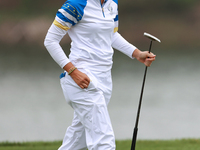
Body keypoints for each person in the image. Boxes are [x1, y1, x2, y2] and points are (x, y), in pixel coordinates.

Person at [44, 0, 156, 149]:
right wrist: (73, 71)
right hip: (82, 80)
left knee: (78, 141)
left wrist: (137, 54)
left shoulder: (112, 3)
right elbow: (50, 41)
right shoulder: (76, 4)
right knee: (104, 141)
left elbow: (112, 35)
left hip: (104, 79)